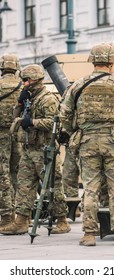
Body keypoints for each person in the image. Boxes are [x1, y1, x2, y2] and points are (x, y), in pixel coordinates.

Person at [60, 42, 114, 246]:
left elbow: (65, 114)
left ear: (92, 60)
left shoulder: (77, 85)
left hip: (87, 143)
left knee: (90, 188)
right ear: (112, 60)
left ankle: (88, 234)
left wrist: (74, 131)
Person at [0, 64, 71, 235]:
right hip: (29, 149)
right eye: (23, 80)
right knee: (24, 186)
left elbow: (53, 122)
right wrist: (19, 102)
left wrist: (32, 122)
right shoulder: (29, 98)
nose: (23, 84)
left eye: (26, 80)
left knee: (53, 186)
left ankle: (62, 220)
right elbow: (14, 117)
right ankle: (21, 221)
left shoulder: (47, 99)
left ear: (35, 80)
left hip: (44, 150)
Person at [0, 53, 23, 228]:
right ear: (16, 67)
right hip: (20, 135)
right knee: (19, 173)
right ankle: (22, 216)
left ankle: (7, 216)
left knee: (3, 174)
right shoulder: (23, 86)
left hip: (1, 135)